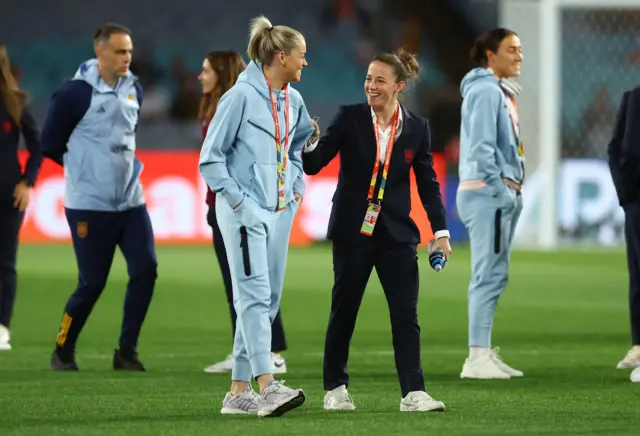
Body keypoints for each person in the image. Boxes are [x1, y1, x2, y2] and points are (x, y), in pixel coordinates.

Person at [302, 48, 450, 412]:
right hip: (353, 230)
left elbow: (428, 184)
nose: (371, 86)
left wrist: (441, 231)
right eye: (368, 78)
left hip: (397, 233)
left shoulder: (417, 128)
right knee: (345, 309)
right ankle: (335, 388)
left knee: (405, 314)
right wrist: (309, 140)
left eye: (380, 80)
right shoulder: (349, 118)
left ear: (399, 86)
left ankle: (413, 392)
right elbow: (315, 164)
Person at [199, 15, 315, 417]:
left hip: (278, 210)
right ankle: (267, 386)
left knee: (267, 300)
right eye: (301, 56)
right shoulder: (239, 98)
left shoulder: (293, 100)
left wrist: (295, 189)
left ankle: (236, 393)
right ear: (280, 56)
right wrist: (238, 202)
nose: (306, 63)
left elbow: (297, 147)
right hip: (244, 211)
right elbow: (210, 160)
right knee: (251, 295)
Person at [40, 23, 157, 372]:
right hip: (88, 206)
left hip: (130, 202)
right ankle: (63, 349)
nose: (127, 58)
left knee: (146, 270)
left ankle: (126, 351)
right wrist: (86, 170)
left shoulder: (133, 86)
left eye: (130, 51)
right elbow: (49, 144)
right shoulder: (74, 94)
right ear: (100, 51)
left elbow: (128, 133)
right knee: (92, 283)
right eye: (121, 51)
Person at [198, 50, 289, 375]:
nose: (200, 76)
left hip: (243, 205)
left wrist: (237, 200)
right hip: (224, 204)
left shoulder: (237, 102)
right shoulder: (225, 102)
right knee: (245, 284)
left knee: (253, 283)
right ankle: (247, 361)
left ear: (221, 72)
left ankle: (268, 353)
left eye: (206, 69)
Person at [456, 28, 524, 379]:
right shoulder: (485, 91)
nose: (519, 56)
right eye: (511, 49)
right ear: (490, 55)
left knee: (495, 274)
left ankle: (483, 351)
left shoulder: (495, 90)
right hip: (487, 192)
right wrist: (500, 190)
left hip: (491, 191)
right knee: (487, 274)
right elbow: (482, 146)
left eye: (520, 49)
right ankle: (476, 357)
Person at [0, 44, 43, 350]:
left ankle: (2, 327)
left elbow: (38, 146)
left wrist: (27, 182)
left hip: (7, 195)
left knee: (5, 263)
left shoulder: (14, 103)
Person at [607, 86, 640, 383]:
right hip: (636, 200)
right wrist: (626, 195)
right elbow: (616, 147)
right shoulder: (632, 96)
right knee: (638, 273)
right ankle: (639, 345)